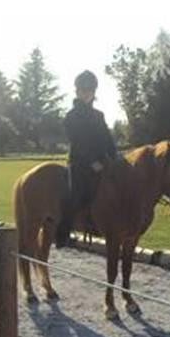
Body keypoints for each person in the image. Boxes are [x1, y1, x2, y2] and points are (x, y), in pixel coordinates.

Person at [55, 70, 118, 248]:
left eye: (90, 90)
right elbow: (78, 142)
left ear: (93, 92)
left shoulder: (99, 115)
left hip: (102, 162)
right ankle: (63, 233)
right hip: (80, 162)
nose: (87, 93)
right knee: (75, 194)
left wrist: (116, 157)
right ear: (77, 92)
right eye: (84, 90)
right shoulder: (71, 117)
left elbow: (107, 139)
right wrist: (92, 162)